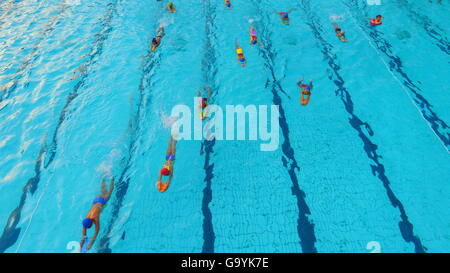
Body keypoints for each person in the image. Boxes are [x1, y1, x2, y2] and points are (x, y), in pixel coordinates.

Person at [80, 177, 114, 251]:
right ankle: (104, 178)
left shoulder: (95, 218)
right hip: (96, 200)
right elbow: (83, 236)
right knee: (103, 190)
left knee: (110, 192)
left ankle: (112, 179)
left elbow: (96, 232)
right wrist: (80, 248)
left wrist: (90, 244)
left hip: (102, 202)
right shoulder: (86, 220)